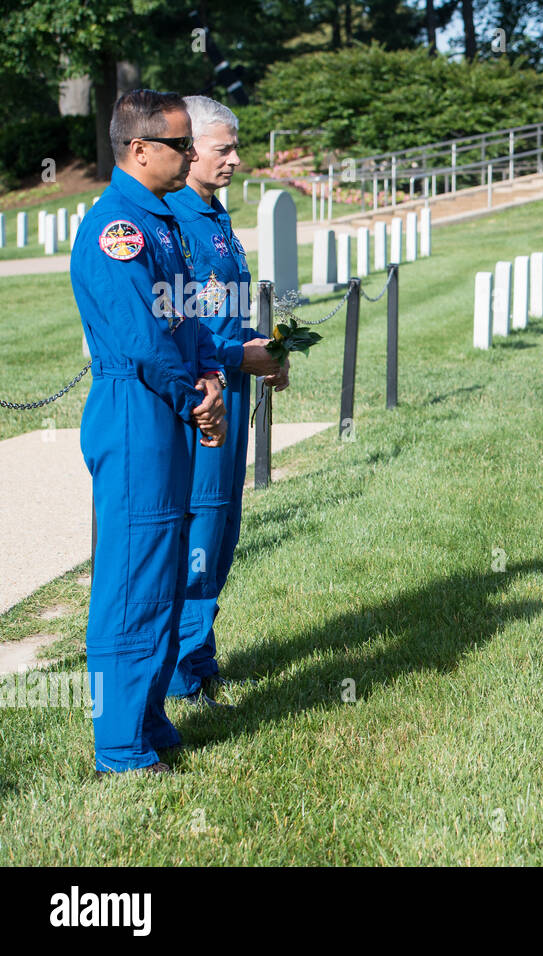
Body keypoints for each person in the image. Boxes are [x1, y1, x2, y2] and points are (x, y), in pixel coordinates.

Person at [71, 89, 237, 775]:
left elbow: (189, 317)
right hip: (137, 408)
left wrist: (210, 375)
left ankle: (150, 718)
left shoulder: (162, 221)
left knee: (165, 576)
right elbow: (141, 339)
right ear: (140, 151)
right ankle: (119, 747)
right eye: (180, 144)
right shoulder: (119, 229)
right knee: (134, 578)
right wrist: (192, 396)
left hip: (168, 402)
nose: (193, 154)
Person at [164, 95, 287, 707]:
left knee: (224, 527)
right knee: (201, 530)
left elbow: (224, 314)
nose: (237, 160)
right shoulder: (175, 221)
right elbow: (182, 324)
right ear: (188, 152)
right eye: (224, 149)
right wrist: (242, 358)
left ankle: (201, 658)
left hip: (233, 388)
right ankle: (186, 674)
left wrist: (264, 350)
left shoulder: (214, 216)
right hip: (203, 397)